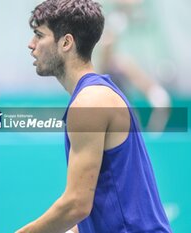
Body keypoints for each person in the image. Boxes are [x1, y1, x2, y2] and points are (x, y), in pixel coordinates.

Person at [17, 0, 172, 232]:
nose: (31, 44)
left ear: (66, 42)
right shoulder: (97, 95)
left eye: (39, 35)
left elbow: (76, 205)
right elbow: (102, 200)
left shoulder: (89, 103)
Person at [98, 0, 171, 132]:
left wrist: (156, 94)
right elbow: (103, 65)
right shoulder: (101, 69)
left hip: (126, 121)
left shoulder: (123, 64)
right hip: (110, 121)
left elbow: (144, 84)